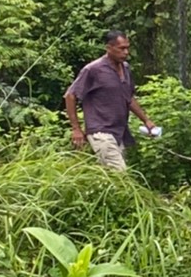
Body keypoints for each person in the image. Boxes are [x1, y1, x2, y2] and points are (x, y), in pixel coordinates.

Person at [65, 30, 156, 171]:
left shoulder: (125, 68)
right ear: (109, 48)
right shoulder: (93, 69)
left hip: (118, 131)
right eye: (121, 48)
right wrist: (76, 129)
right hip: (100, 131)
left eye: (127, 48)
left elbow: (128, 98)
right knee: (120, 174)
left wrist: (146, 120)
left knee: (112, 177)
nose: (126, 52)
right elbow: (70, 95)